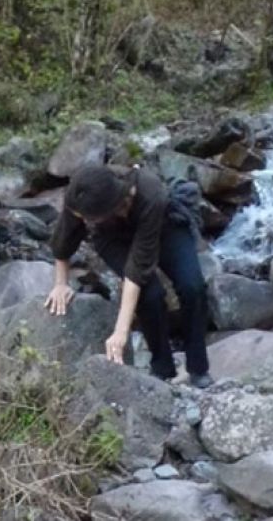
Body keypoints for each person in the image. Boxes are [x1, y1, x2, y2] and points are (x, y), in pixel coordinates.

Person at [43, 164, 214, 388]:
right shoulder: (81, 195)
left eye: (88, 219)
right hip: (112, 238)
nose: (82, 221)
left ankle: (198, 368)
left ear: (112, 207)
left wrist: (121, 331)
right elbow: (64, 240)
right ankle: (162, 368)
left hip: (165, 225)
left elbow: (136, 271)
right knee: (150, 295)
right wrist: (60, 283)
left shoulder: (151, 192)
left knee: (192, 287)